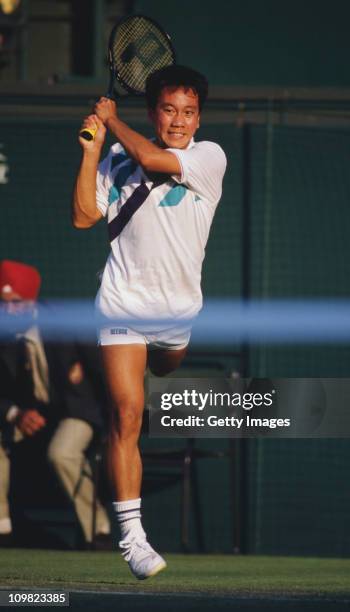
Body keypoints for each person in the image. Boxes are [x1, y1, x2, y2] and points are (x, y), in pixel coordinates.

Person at [72, 65, 227, 579]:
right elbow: (82, 216)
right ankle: (134, 540)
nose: (178, 120)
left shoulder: (207, 158)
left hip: (176, 316)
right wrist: (92, 150)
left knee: (163, 370)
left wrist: (111, 122)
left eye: (188, 112)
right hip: (121, 305)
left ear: (198, 118)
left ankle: (163, 360)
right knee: (127, 412)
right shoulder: (116, 158)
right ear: (152, 111)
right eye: (168, 110)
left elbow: (149, 156)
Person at [0, 259, 110, 548]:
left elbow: (104, 375)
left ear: (32, 300)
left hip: (77, 412)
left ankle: (98, 532)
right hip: (29, 416)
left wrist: (113, 429)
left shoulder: (65, 322)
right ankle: (3, 530)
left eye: (17, 302)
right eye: (3, 303)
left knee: (62, 453)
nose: (10, 310)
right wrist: (15, 413)